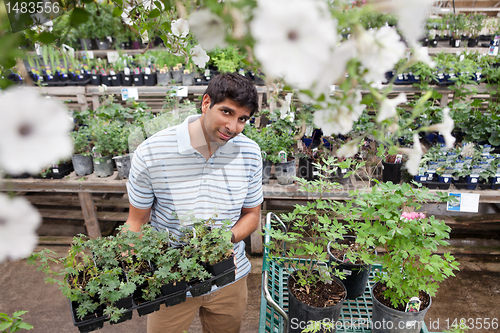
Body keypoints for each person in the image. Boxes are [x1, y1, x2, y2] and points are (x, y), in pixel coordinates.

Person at [125, 72, 263, 333]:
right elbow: (136, 221)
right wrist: (126, 263)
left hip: (229, 278)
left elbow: (252, 216)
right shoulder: (152, 152)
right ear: (206, 103)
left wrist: (226, 238)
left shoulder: (250, 153)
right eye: (226, 112)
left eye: (242, 119)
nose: (233, 127)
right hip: (172, 281)